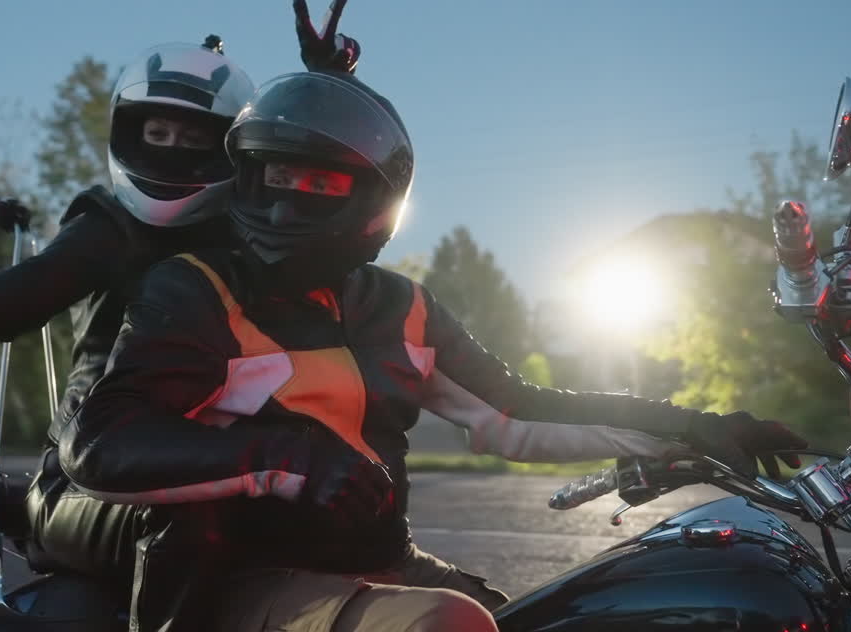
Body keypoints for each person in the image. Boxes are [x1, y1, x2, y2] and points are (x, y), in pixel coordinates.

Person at [58, 70, 809, 632]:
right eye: (274, 176)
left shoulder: (403, 306)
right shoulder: (197, 288)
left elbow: (519, 411)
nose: (288, 202)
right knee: (450, 627)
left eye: (318, 181)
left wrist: (700, 426)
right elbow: (101, 443)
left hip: (379, 558)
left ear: (375, 196)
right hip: (246, 578)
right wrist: (290, 458)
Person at [0, 0, 364, 579]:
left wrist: (326, 86)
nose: (171, 152)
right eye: (157, 133)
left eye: (194, 138)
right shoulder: (108, 229)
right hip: (94, 479)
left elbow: (323, 196)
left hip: (217, 461)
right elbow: (34, 287)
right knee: (207, 521)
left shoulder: (249, 232)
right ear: (127, 129)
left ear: (229, 148)